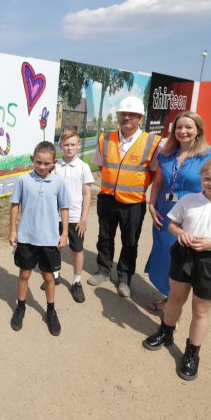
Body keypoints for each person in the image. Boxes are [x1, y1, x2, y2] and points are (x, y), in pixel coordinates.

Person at [142, 159, 211, 381]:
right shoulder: (189, 200)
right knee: (174, 300)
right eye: (207, 179)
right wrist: (179, 233)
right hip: (184, 256)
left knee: (200, 311)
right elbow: (172, 224)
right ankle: (166, 331)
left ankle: (192, 352)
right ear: (200, 179)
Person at [144, 112, 211, 312]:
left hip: (192, 216)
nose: (183, 131)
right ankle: (168, 297)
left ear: (198, 130)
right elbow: (159, 182)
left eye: (188, 127)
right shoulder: (166, 153)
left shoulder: (210, 155)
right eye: (179, 127)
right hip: (165, 214)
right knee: (163, 255)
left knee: (180, 260)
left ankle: (173, 307)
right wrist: (151, 205)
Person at [87, 96, 161, 297]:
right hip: (107, 198)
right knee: (104, 237)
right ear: (118, 116)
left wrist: (134, 186)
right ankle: (103, 269)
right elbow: (101, 165)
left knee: (130, 242)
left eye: (132, 114)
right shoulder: (106, 138)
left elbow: (155, 172)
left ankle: (124, 278)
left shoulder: (152, 142)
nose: (126, 117)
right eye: (123, 114)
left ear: (140, 118)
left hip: (134, 203)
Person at [9, 141, 70, 336]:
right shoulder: (23, 181)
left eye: (46, 163)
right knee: (24, 274)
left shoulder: (59, 183)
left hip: (49, 239)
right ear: (32, 160)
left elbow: (64, 209)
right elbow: (15, 205)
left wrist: (65, 233)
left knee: (48, 276)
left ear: (54, 162)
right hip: (27, 237)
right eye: (38, 162)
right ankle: (21, 307)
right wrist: (12, 230)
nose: (42, 167)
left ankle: (51, 311)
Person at [53, 130, 94, 303]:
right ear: (61, 146)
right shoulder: (55, 166)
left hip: (76, 217)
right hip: (56, 216)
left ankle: (77, 282)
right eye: (66, 145)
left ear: (79, 145)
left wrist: (83, 218)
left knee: (77, 250)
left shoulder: (83, 167)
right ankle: (55, 274)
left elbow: (86, 194)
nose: (69, 148)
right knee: (56, 246)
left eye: (72, 144)